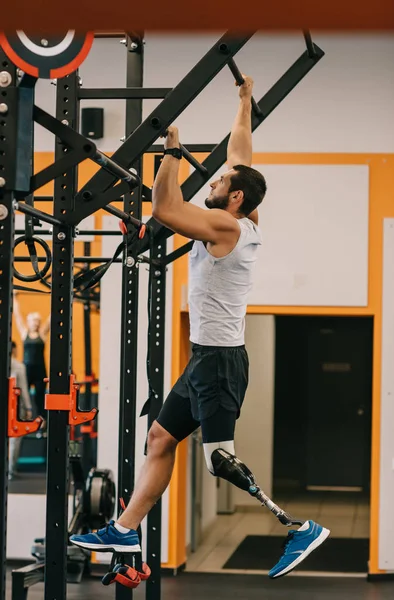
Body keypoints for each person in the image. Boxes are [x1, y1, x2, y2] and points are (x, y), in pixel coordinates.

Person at [71, 75, 329, 578]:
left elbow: (165, 209)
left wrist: (171, 151)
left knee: (218, 462)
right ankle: (124, 530)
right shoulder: (243, 212)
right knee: (160, 440)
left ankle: (299, 529)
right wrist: (243, 103)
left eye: (217, 184)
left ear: (234, 200)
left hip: (219, 364)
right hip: (205, 358)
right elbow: (240, 152)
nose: (211, 182)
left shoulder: (227, 226)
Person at [13, 292, 50, 423]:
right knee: (24, 396)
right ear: (28, 322)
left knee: (40, 398)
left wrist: (60, 296)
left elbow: (51, 318)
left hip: (40, 370)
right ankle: (23, 418)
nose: (35, 323)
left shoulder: (42, 334)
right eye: (33, 321)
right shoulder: (24, 333)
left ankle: (42, 422)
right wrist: (14, 298)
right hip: (27, 370)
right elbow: (17, 316)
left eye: (37, 321)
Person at [9, 341, 33, 480]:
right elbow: (23, 388)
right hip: (15, 406)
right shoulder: (19, 366)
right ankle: (10, 469)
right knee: (15, 439)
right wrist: (28, 407)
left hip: (11, 405)